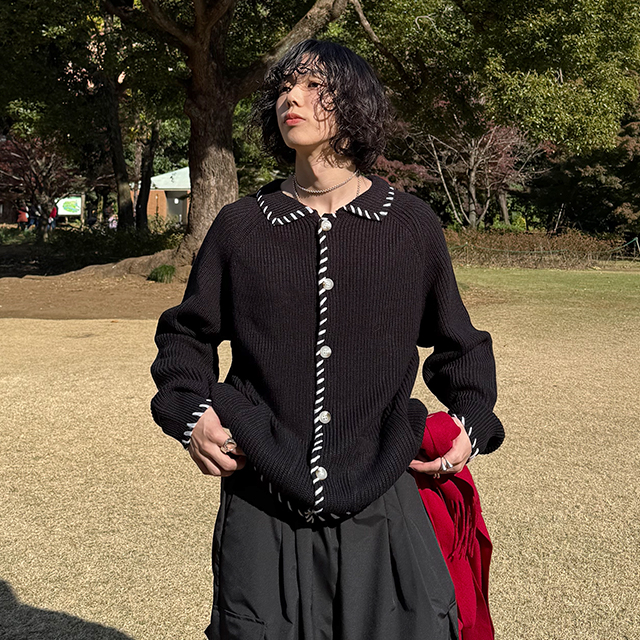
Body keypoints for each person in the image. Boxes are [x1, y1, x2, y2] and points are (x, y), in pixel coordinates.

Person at [150, 39, 505, 640]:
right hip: (261, 500)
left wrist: (468, 426)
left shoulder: (410, 225)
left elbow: (460, 345)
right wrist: (192, 414)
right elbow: (186, 336)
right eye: (285, 86)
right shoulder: (240, 226)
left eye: (314, 85)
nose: (292, 97)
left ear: (355, 102)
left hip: (384, 494)